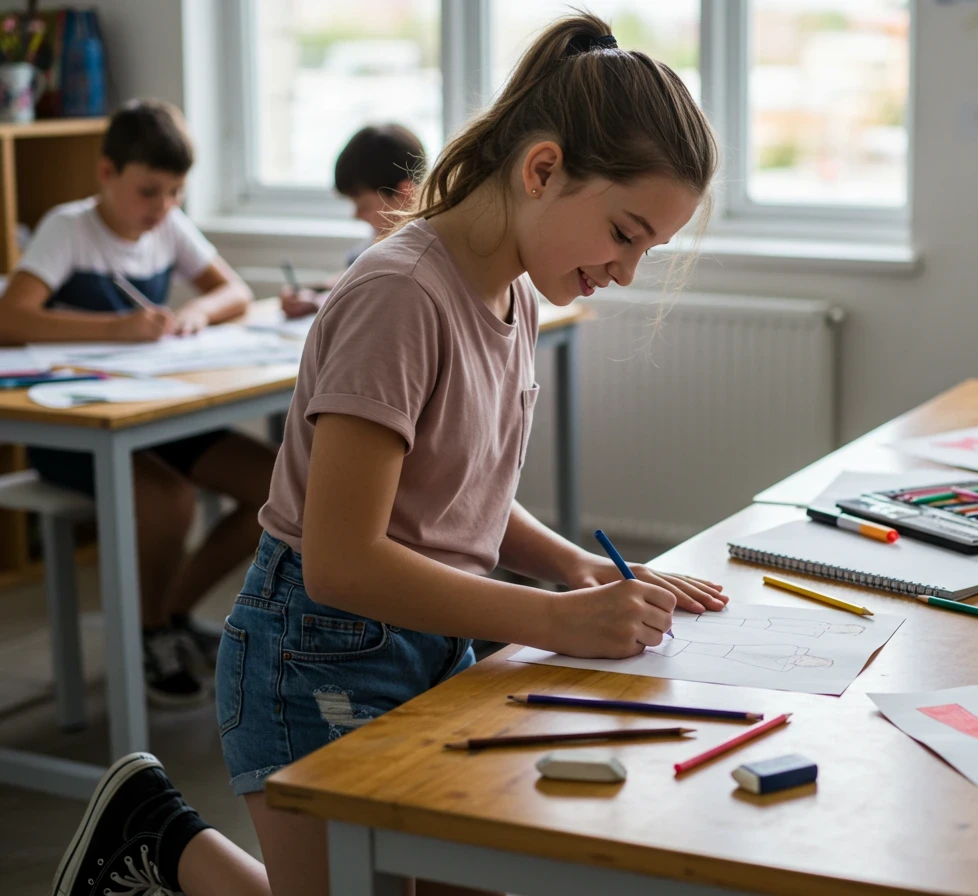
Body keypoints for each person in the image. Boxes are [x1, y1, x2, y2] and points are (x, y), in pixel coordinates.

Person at [53, 14, 720, 896]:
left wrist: (566, 567)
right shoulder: (402, 293)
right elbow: (341, 562)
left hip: (434, 640)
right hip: (317, 656)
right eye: (626, 233)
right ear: (544, 169)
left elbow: (457, 490)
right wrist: (554, 622)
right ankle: (155, 836)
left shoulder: (514, 296)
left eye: (649, 249)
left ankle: (153, 831)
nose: (628, 272)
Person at [0, 99, 277, 707]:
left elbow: (231, 290)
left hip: (155, 413)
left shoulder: (166, 226)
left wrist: (193, 313)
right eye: (150, 190)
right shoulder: (68, 227)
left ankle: (170, 614)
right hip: (77, 428)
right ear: (106, 174)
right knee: (168, 501)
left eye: (176, 192)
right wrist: (115, 329)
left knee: (278, 487)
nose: (164, 207)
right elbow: (10, 317)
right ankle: (151, 633)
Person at [279, 124, 425, 319]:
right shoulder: (376, 244)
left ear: (404, 194)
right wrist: (312, 296)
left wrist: (319, 302)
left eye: (364, 206)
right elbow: (345, 278)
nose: (356, 215)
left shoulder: (417, 261)